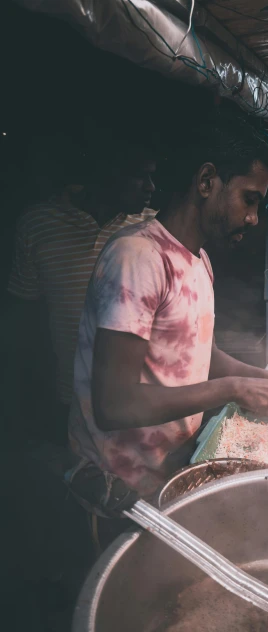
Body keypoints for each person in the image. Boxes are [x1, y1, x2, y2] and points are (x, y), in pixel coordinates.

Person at [67, 119, 268, 518]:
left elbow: (201, 354)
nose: (254, 218)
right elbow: (113, 405)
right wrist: (232, 389)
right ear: (207, 181)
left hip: (169, 466)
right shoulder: (137, 257)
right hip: (118, 486)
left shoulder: (199, 259)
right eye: (249, 199)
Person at [6, 133, 157, 443]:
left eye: (151, 176)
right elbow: (26, 315)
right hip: (67, 395)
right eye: (138, 175)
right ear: (105, 171)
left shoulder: (153, 227)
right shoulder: (37, 223)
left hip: (138, 398)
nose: (150, 188)